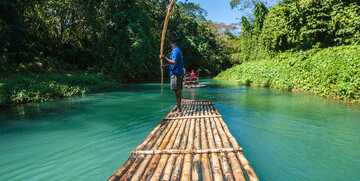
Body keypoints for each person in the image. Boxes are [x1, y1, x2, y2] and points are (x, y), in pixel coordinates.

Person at [160, 38, 184, 114]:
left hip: (176, 73)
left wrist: (164, 58)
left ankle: (179, 109)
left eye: (170, 43)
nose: (170, 45)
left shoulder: (175, 51)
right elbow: (173, 63)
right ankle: (178, 106)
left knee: (177, 91)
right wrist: (166, 66)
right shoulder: (177, 50)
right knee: (177, 90)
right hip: (177, 72)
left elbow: (174, 63)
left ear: (172, 43)